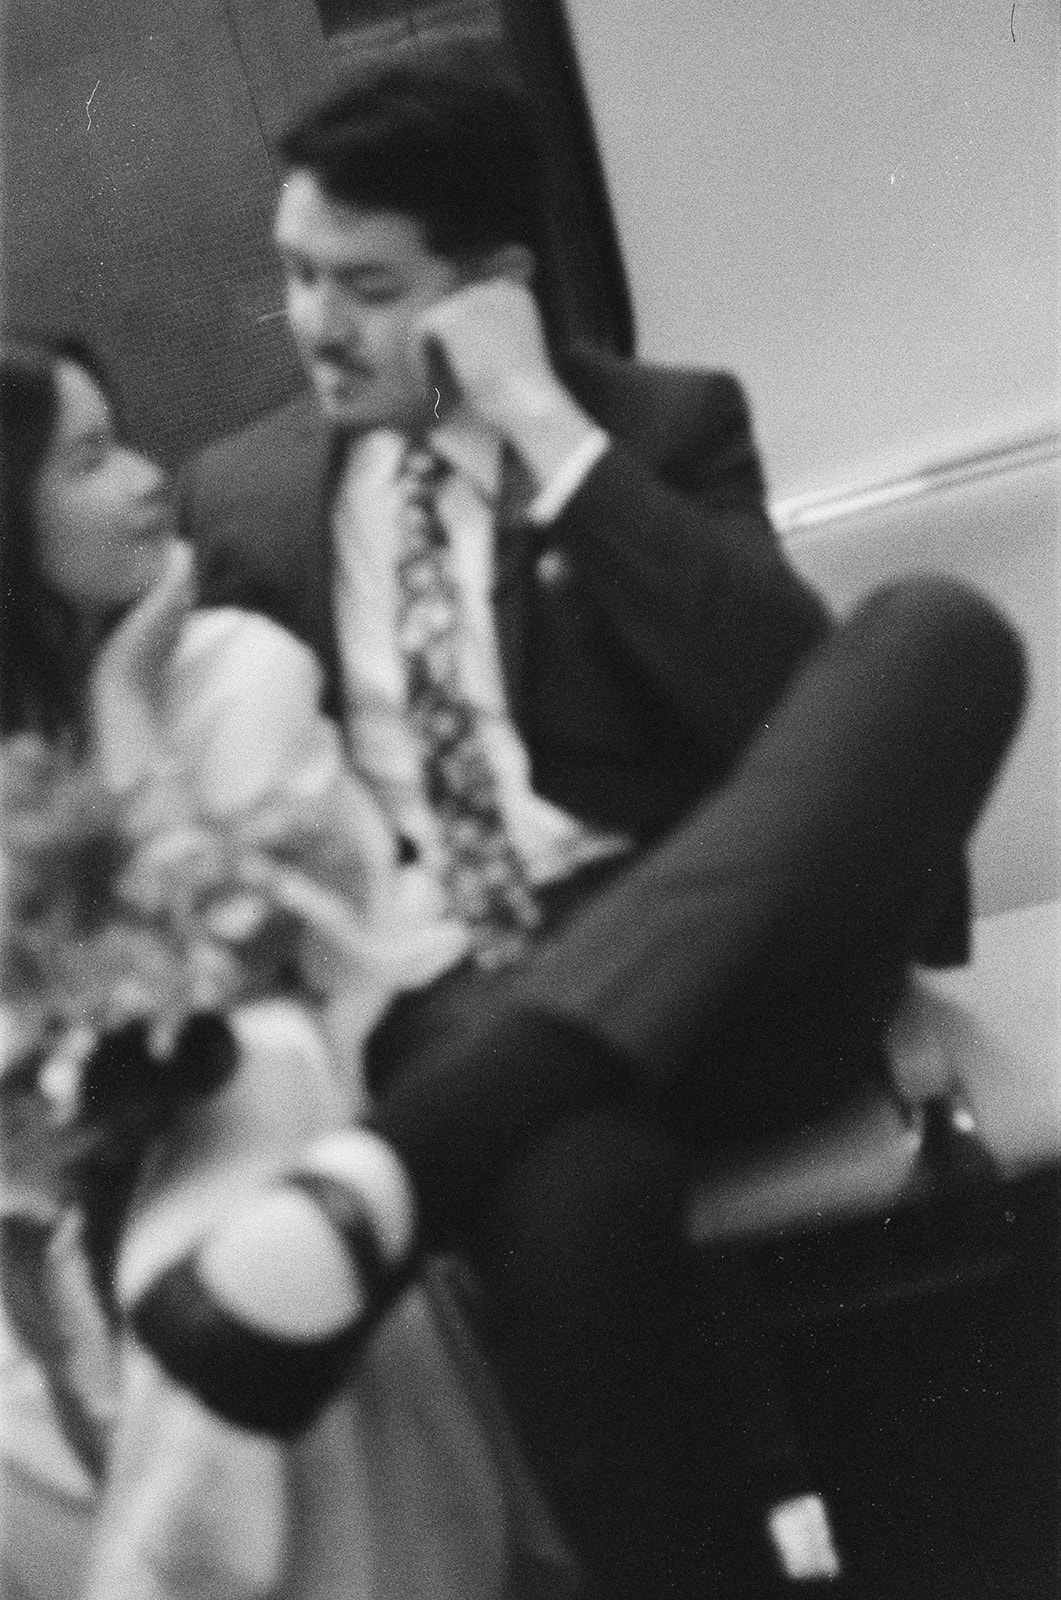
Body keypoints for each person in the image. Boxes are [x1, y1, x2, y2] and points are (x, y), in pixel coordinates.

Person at [179, 62, 993, 1592]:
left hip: (736, 966)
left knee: (937, 637)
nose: (314, 325)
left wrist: (546, 432)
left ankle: (414, 1159)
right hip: (463, 991)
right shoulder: (245, 497)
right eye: (295, 274)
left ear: (494, 289)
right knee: (565, 1202)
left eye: (366, 287)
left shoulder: (660, 427)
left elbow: (784, 707)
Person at [0, 331, 578, 1600]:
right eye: (91, 459)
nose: (151, 481)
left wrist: (125, 702)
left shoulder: (229, 672)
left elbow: (211, 987)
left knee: (245, 1129)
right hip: (49, 1174)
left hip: (254, 1099)